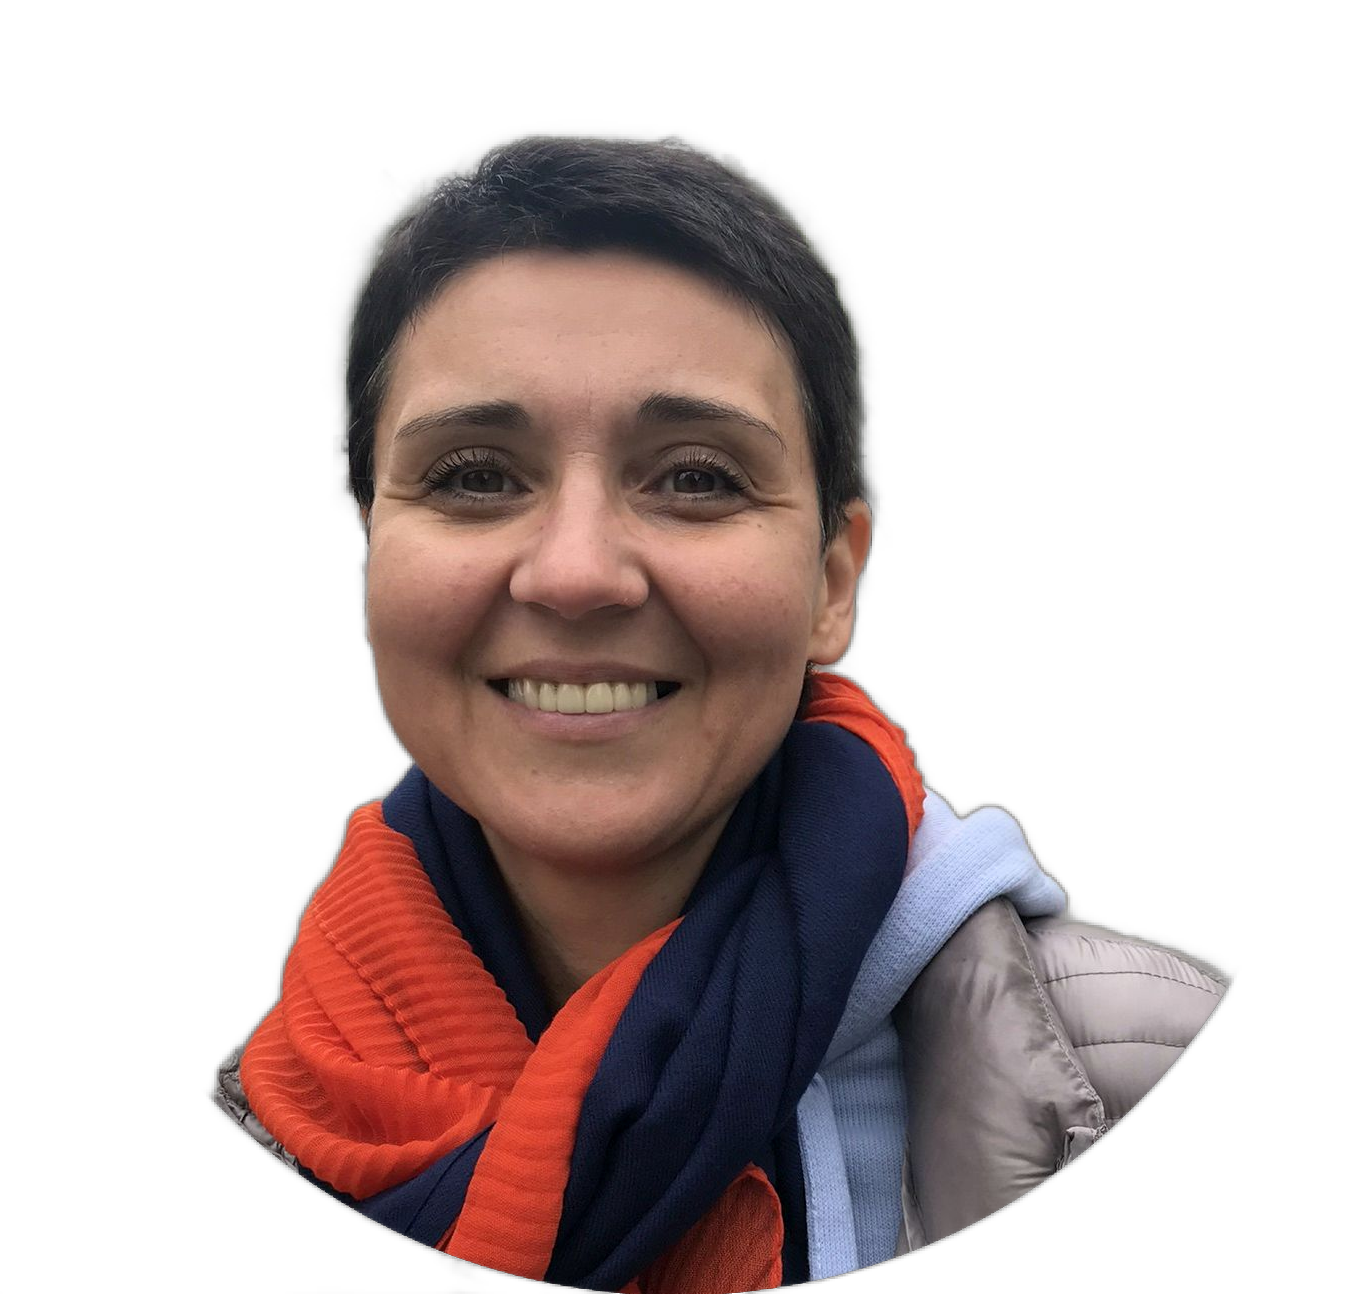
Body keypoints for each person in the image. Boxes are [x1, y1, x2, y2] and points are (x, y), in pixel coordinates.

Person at [210, 133, 1233, 1293]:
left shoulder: (1141, 1064)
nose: (577, 573)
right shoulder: (269, 1113)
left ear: (833, 582)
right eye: (475, 475)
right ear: (370, 555)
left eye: (696, 476)